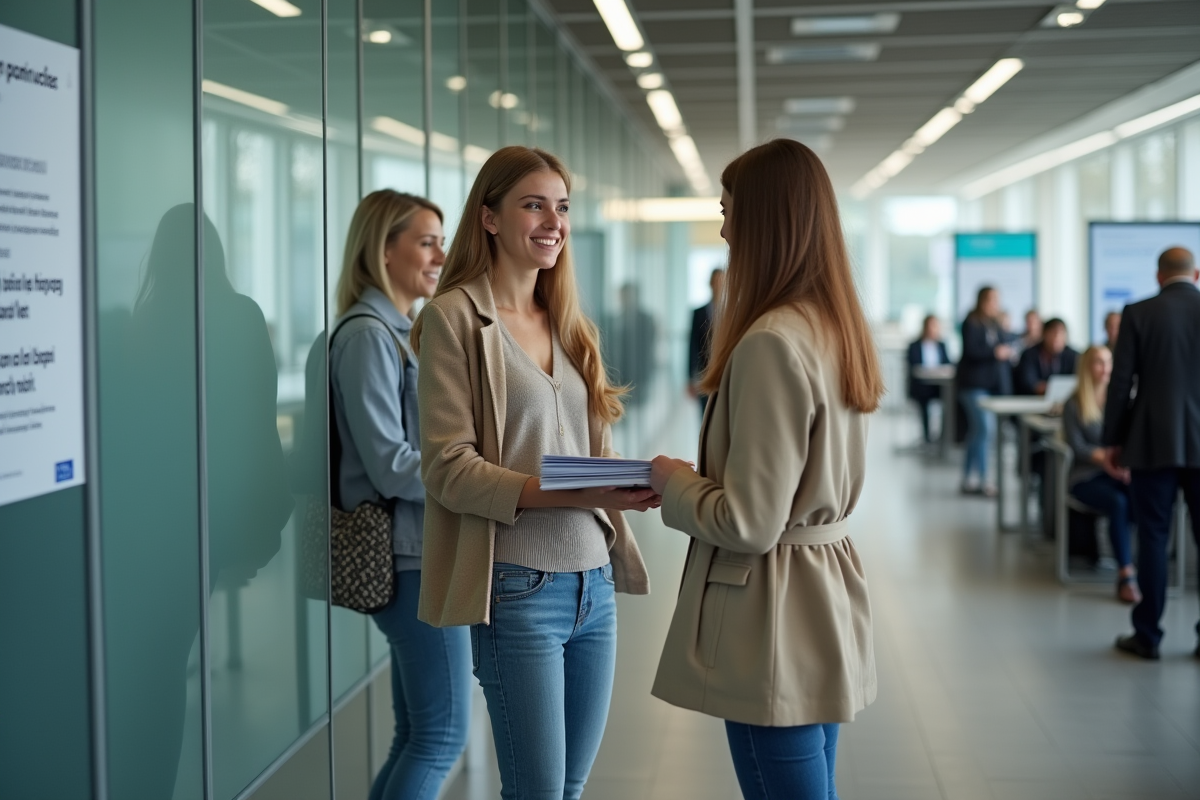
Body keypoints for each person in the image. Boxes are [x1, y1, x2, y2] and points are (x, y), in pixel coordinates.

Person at [412, 146, 655, 799]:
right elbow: (447, 468)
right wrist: (569, 487)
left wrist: (641, 477)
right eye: (534, 204)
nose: (554, 220)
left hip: (593, 584)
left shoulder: (570, 323)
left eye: (563, 206)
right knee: (539, 792)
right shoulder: (454, 319)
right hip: (519, 587)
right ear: (489, 218)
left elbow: (585, 450)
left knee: (569, 789)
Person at [648, 139, 882, 800]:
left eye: (728, 210)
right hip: (820, 591)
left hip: (770, 606)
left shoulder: (771, 343)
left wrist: (674, 481)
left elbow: (749, 520)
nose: (722, 229)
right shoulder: (833, 328)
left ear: (765, 220)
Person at [328, 190, 471, 800]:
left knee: (417, 732)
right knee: (441, 737)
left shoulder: (400, 330)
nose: (441, 253)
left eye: (442, 239)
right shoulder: (368, 337)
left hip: (416, 548)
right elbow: (389, 465)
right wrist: (471, 479)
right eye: (426, 240)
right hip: (408, 555)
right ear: (383, 250)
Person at [1105, 247, 1200, 660]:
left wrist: (1113, 440)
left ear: (1158, 276)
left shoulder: (1138, 312)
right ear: (1195, 275)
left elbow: (1121, 382)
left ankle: (1148, 636)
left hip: (1150, 441)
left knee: (1153, 538)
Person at [1063, 346, 1139, 603]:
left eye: (1108, 362)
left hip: (1117, 474)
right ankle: (1126, 574)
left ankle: (1141, 564)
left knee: (1139, 495)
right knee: (1118, 503)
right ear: (1087, 367)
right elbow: (1078, 447)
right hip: (1085, 477)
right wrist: (1106, 458)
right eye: (1098, 363)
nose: (1105, 368)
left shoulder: (1120, 401)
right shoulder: (1074, 404)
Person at [958, 287, 1014, 496]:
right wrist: (994, 352)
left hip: (990, 387)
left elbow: (1006, 341)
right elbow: (971, 351)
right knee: (985, 430)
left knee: (977, 432)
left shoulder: (995, 324)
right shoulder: (971, 322)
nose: (995, 304)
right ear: (982, 300)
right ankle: (984, 480)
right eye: (992, 300)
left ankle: (967, 478)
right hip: (972, 385)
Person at [605, 281, 658, 409]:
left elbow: (648, 347)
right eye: (622, 296)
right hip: (619, 370)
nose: (624, 299)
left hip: (638, 371)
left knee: (637, 406)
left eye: (627, 296)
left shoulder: (646, 319)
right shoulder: (616, 319)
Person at [906, 314, 951, 444]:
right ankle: (927, 438)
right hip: (921, 386)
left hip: (939, 386)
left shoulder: (941, 345)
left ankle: (944, 437)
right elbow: (913, 366)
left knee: (950, 401)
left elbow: (948, 363)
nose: (934, 329)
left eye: (936, 326)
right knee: (924, 401)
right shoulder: (914, 345)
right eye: (931, 325)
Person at [688, 267, 725, 413]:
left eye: (721, 281)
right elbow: (692, 345)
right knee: (705, 413)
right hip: (704, 372)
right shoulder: (698, 313)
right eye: (715, 281)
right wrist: (690, 377)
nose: (718, 285)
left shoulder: (732, 311)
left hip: (724, 371)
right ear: (710, 284)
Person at [1015, 317, 1078, 396]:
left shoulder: (1074, 356)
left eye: (1061, 333)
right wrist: (1043, 388)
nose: (1057, 337)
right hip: (1033, 401)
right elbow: (1027, 382)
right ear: (1044, 334)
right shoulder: (1029, 355)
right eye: (1053, 333)